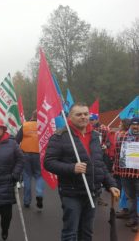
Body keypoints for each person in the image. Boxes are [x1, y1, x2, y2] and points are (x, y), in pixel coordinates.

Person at [44, 103, 119, 241]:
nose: (83, 117)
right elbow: (48, 162)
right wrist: (72, 168)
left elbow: (99, 164)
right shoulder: (59, 136)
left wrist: (111, 184)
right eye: (79, 114)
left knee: (87, 232)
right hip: (72, 192)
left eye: (85, 114)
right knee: (70, 233)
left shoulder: (95, 135)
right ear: (70, 117)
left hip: (93, 192)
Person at [113, 117, 139, 232]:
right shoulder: (122, 136)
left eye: (138, 125)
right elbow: (118, 155)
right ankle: (133, 218)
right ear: (130, 125)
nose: (136, 126)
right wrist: (117, 171)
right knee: (131, 198)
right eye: (134, 124)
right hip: (126, 174)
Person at [16, 110, 45, 209]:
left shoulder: (25, 125)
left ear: (32, 116)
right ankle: (39, 194)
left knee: (27, 176)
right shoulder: (43, 126)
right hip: (39, 154)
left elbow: (17, 140)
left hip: (25, 153)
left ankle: (27, 201)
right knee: (39, 175)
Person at [89, 113, 112, 206]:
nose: (90, 121)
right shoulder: (86, 128)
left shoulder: (105, 128)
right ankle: (91, 194)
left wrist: (105, 145)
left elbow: (109, 142)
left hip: (101, 154)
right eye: (89, 119)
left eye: (92, 120)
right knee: (91, 174)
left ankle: (98, 196)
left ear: (97, 119)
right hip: (89, 154)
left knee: (100, 174)